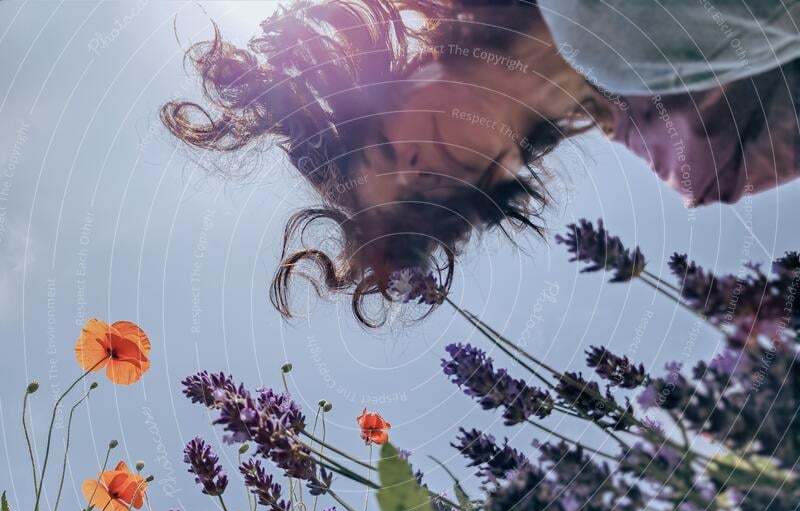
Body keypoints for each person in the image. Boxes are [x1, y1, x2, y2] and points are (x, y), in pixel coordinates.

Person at [161, 0, 800, 324]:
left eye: (391, 145)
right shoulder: (709, 156)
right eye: (423, 191)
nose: (425, 161)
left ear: (389, 82)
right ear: (484, 186)